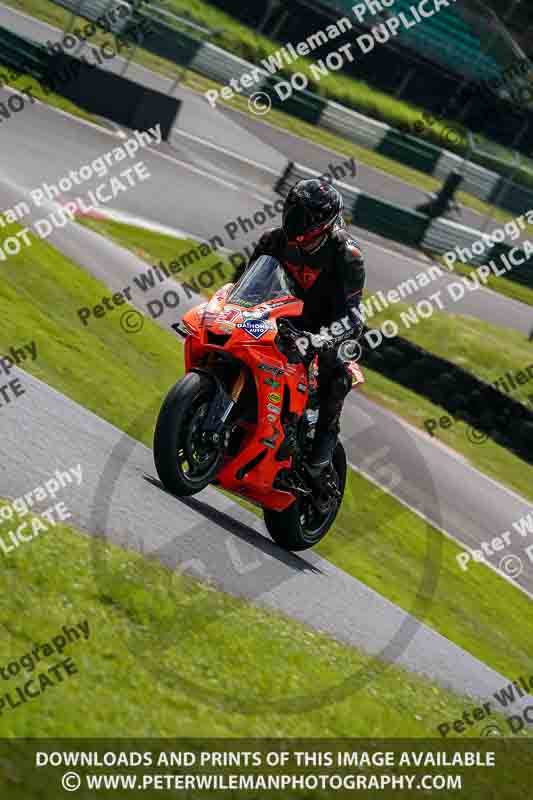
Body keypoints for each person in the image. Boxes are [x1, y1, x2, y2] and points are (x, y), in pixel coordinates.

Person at [234, 178, 366, 481]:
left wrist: (323, 339)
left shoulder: (347, 255)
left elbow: (355, 317)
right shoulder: (273, 240)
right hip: (284, 316)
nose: (296, 222)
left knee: (337, 377)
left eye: (304, 217)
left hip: (328, 328)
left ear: (322, 222)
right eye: (293, 211)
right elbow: (244, 287)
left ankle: (319, 459)